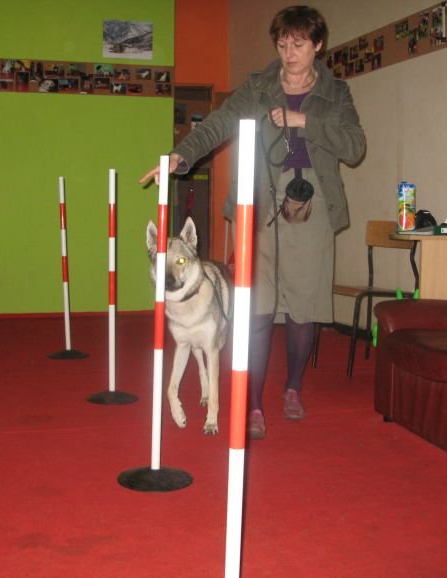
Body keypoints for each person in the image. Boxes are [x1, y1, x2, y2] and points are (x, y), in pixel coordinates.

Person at [140, 5, 366, 439]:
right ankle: (255, 403)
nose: (289, 53)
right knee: (257, 306)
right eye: (282, 44)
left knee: (303, 308)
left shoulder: (335, 92)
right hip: (259, 198)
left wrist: (305, 122)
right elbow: (219, 123)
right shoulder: (259, 86)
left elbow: (355, 146)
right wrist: (180, 156)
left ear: (317, 45)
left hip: (312, 201)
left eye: (298, 44)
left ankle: (293, 386)